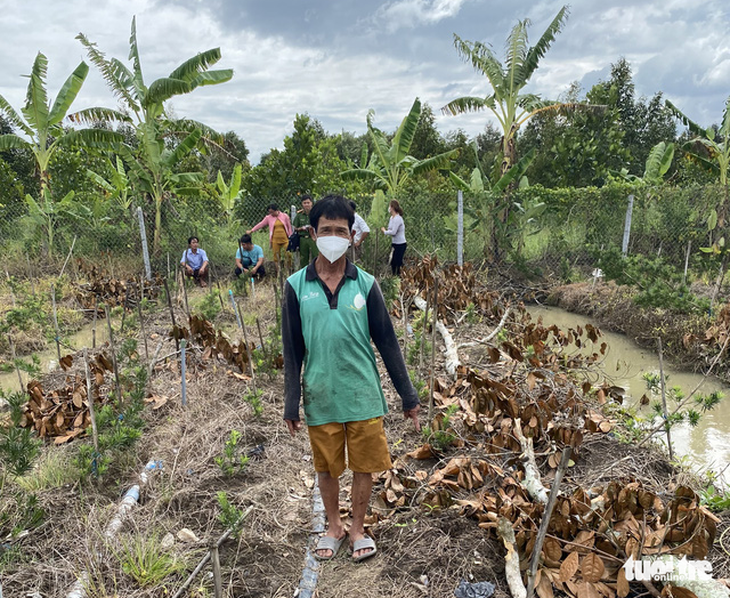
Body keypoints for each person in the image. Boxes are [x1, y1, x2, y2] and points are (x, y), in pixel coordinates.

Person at [282, 195, 420, 563]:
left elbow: (387, 341)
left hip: (362, 393)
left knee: (364, 465)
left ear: (351, 235)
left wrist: (408, 396)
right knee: (326, 467)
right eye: (325, 229)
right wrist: (291, 401)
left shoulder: (366, 284)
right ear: (312, 233)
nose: (332, 236)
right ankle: (334, 526)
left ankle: (357, 528)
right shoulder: (295, 286)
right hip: (321, 393)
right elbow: (293, 348)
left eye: (340, 231)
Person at [247, 203, 293, 274]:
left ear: (276, 210)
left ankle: (288, 271)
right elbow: (261, 224)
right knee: (276, 256)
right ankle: (279, 272)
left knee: (288, 254)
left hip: (285, 239)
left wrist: (291, 237)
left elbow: (289, 227)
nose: (271, 214)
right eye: (269, 212)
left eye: (272, 212)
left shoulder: (284, 216)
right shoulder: (268, 218)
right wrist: (252, 230)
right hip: (275, 240)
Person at [381, 199, 407, 276]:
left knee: (398, 262)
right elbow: (390, 228)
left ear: (392, 207)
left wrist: (385, 232)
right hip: (395, 243)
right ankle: (394, 277)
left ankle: (400, 277)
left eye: (390, 206)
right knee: (393, 262)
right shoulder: (391, 218)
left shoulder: (398, 219)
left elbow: (393, 232)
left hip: (401, 244)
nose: (389, 208)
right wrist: (387, 230)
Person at [292, 194, 318, 268]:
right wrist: (301, 228)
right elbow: (295, 227)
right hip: (303, 238)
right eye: (304, 203)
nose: (306, 205)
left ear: (311, 203)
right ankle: (304, 274)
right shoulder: (299, 215)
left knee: (315, 256)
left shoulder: (315, 214)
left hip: (313, 238)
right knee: (303, 258)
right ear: (302, 204)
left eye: (308, 203)